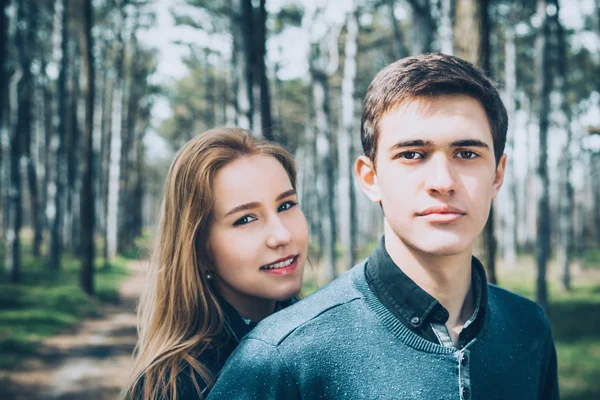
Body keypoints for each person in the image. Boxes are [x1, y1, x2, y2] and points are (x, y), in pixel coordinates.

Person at [207, 53, 559, 399]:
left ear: (497, 175)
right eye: (412, 154)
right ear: (370, 177)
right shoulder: (283, 356)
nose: (442, 181)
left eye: (466, 153)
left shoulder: (528, 328)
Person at [123, 127, 309, 399]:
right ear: (201, 250)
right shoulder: (175, 386)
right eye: (245, 219)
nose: (282, 235)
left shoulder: (320, 337)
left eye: (286, 205)